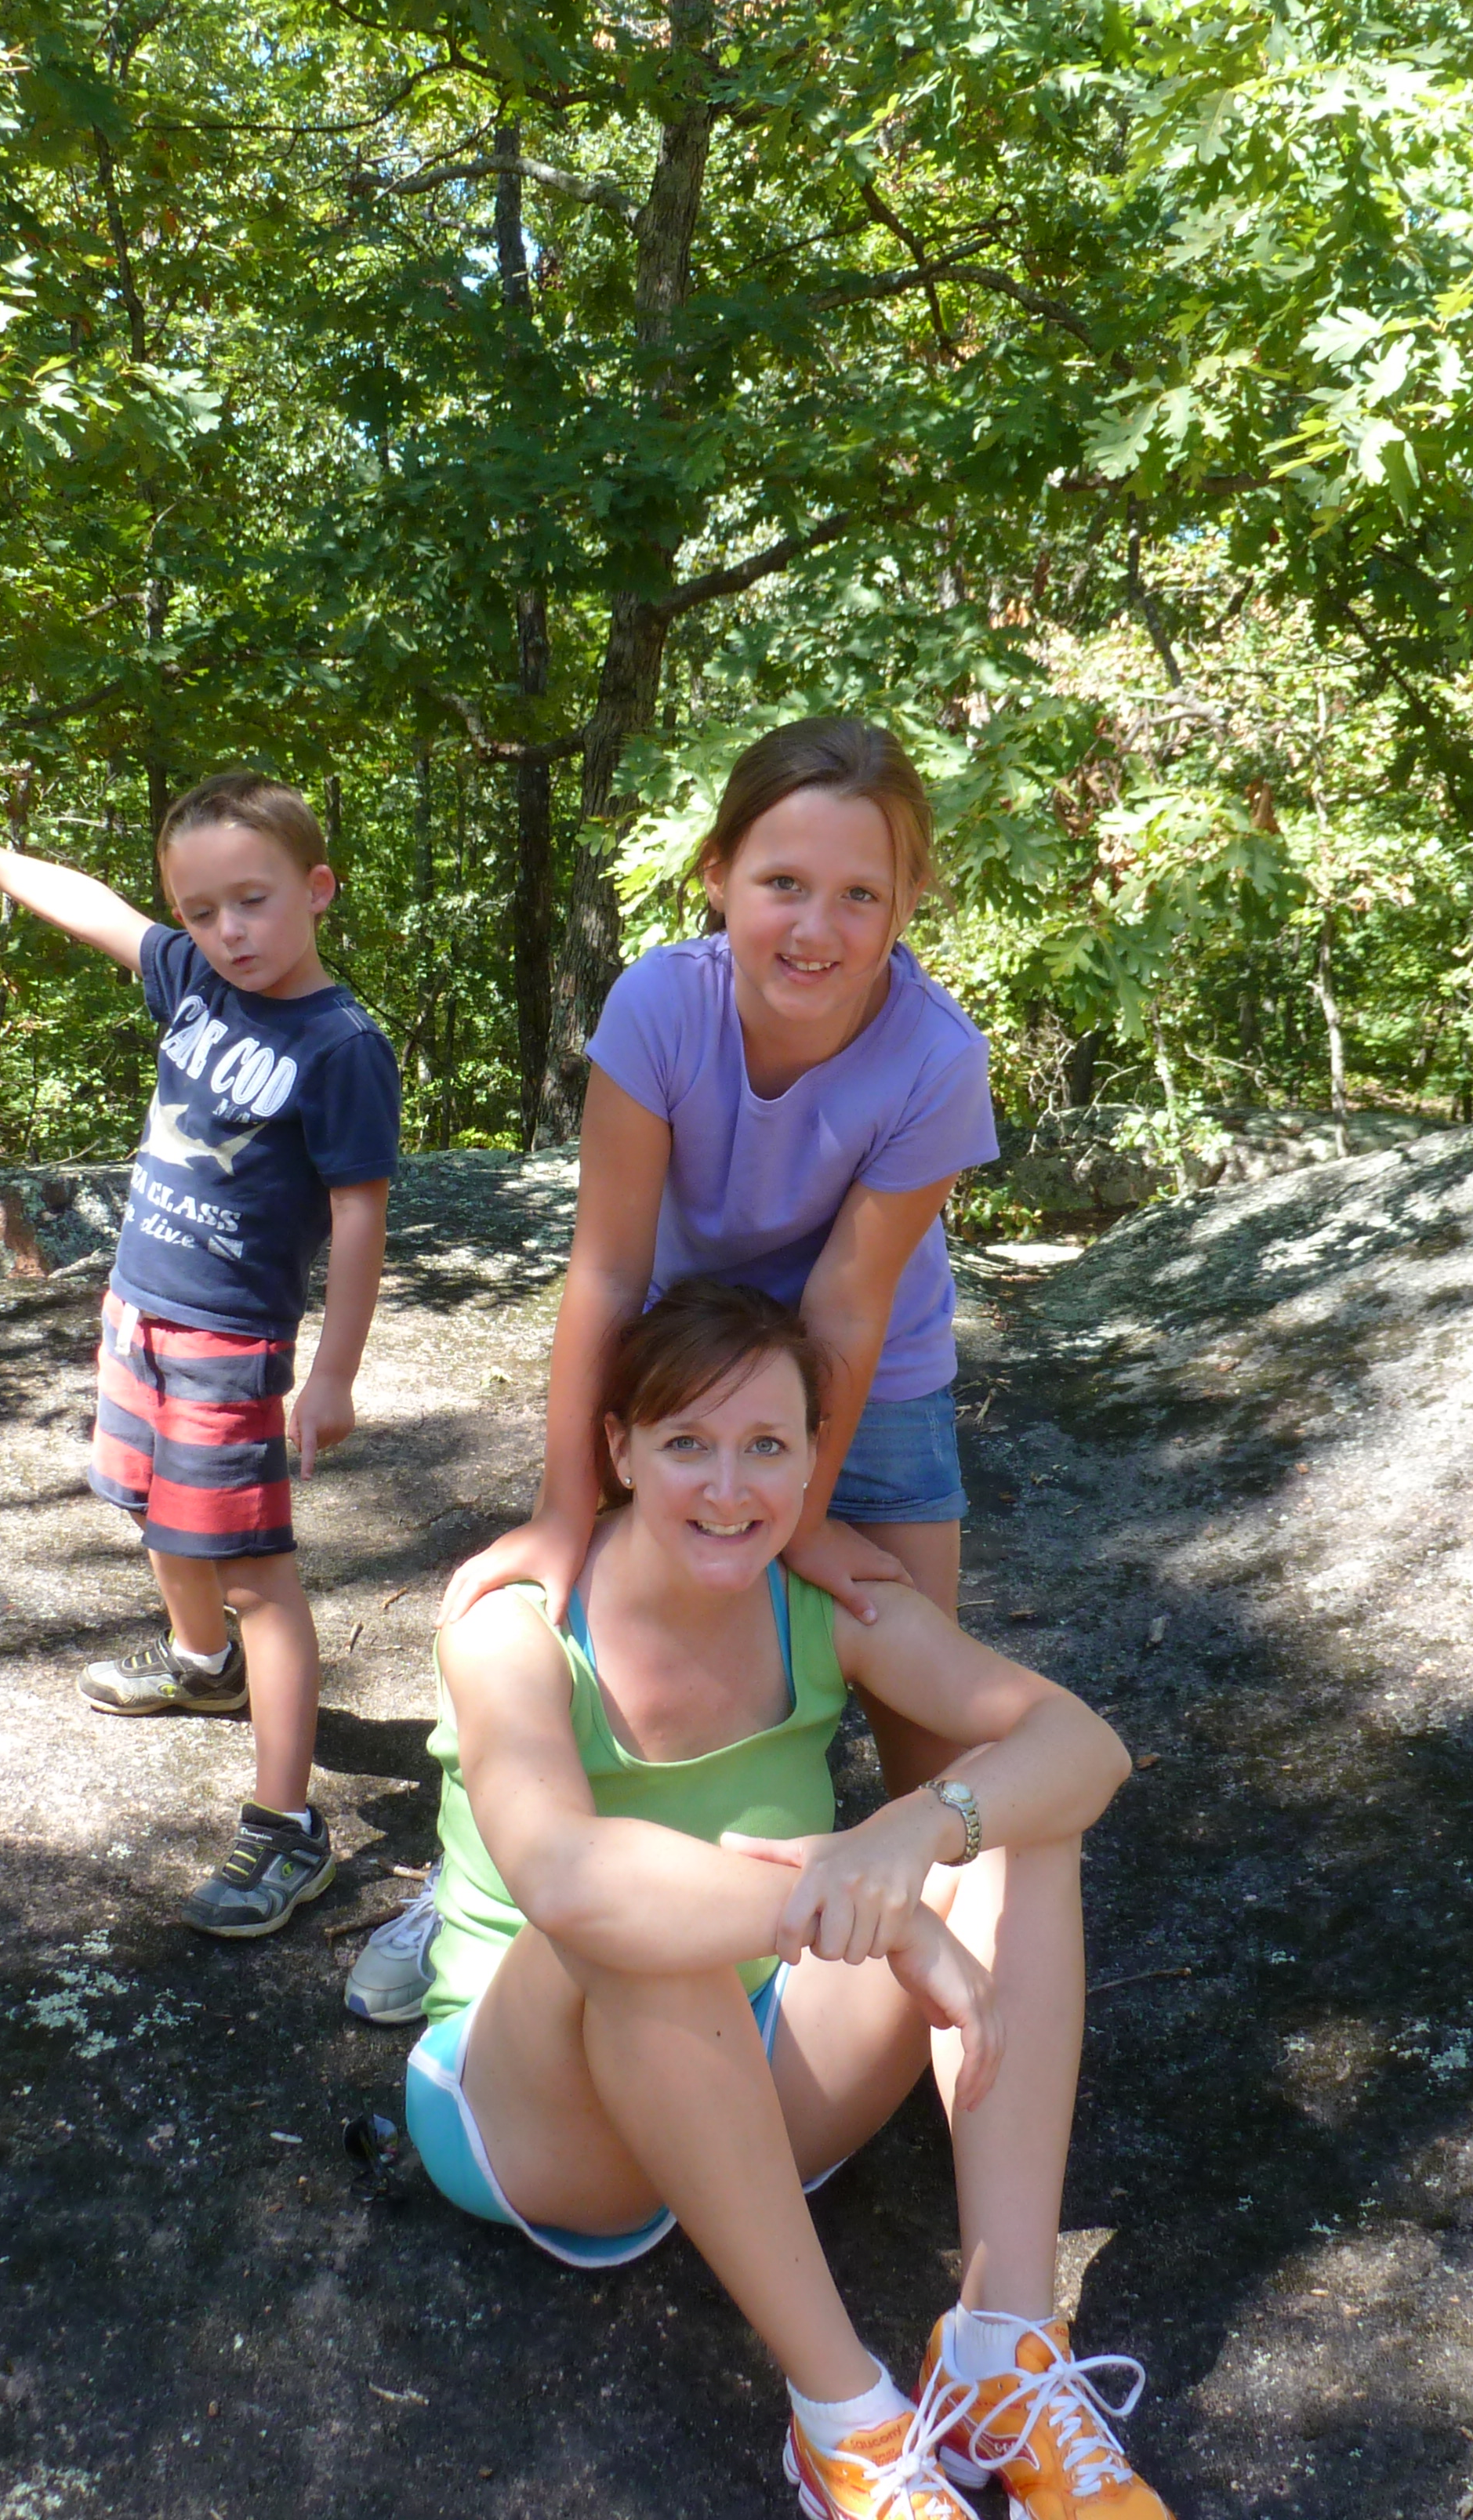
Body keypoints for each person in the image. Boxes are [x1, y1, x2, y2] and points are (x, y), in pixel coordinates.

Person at [406, 1281, 1166, 2520]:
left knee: (1016, 1824)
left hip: (755, 2074)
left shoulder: (828, 1602)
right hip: (536, 2110)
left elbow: (1083, 1747)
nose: (729, 1487)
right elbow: (565, 1878)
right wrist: (881, 1911)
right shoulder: (516, 1629)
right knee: (631, 1919)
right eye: (687, 1443)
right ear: (619, 1450)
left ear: (817, 1459)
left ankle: (1004, 2357)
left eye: (767, 1445)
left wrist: (920, 1831)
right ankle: (848, 2426)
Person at [355, 714, 994, 2025]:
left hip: (872, 1374)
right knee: (595, 1641)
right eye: (782, 883)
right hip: (686, 1354)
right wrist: (564, 1508)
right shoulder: (661, 1005)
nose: (815, 928)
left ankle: (946, 2016)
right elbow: (605, 1266)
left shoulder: (937, 1058)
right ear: (717, 876)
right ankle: (480, 1886)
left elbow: (846, 1308)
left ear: (909, 900)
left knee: (934, 1722)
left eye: (860, 894)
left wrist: (804, 1519)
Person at [0, 772, 400, 1938]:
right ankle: (201, 1664)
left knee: (257, 1575)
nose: (229, 931)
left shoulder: (341, 1048)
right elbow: (92, 907)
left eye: (253, 901)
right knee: (151, 1508)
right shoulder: (192, 982)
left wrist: (333, 1372)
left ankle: (288, 1825)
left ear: (316, 890)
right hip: (138, 1312)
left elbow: (360, 1218)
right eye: (201, 910)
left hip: (232, 1341)